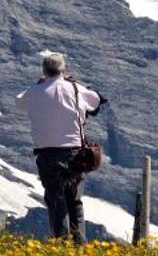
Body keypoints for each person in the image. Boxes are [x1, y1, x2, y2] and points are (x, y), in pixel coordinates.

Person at [16, 51, 103, 244]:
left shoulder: (34, 92)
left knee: (55, 198)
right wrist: (73, 81)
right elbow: (96, 100)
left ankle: (61, 242)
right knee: (74, 199)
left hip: (47, 154)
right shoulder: (75, 89)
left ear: (44, 71)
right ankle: (80, 243)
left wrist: (38, 84)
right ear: (63, 70)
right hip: (74, 152)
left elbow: (19, 101)